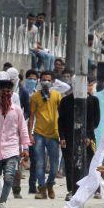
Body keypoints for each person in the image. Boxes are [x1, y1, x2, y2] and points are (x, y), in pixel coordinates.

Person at [0, 72, 30, 208]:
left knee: (9, 177)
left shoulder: (17, 111)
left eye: (8, 91)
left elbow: (23, 129)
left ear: (12, 93)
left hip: (12, 149)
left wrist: (25, 148)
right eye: (3, 91)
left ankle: (2, 202)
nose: (6, 94)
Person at [58, 77, 100, 200]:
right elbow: (61, 120)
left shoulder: (93, 100)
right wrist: (62, 137)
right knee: (70, 164)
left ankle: (93, 189)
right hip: (69, 138)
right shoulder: (65, 101)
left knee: (91, 164)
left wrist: (88, 136)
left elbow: (95, 121)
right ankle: (72, 190)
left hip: (88, 139)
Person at [29, 70, 62, 199]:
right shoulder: (35, 97)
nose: (46, 82)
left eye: (48, 80)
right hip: (39, 133)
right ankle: (42, 188)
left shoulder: (57, 96)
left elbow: (62, 114)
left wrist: (62, 133)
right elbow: (31, 116)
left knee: (54, 165)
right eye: (43, 79)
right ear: (39, 81)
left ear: (52, 82)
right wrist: (30, 134)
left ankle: (50, 184)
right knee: (39, 162)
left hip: (54, 134)